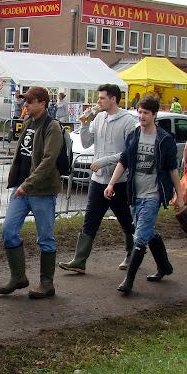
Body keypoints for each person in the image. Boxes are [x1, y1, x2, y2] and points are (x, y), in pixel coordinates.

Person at [104, 95, 184, 294]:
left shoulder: (164, 139)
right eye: (139, 112)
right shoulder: (135, 135)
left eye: (146, 113)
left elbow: (173, 169)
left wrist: (180, 196)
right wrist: (112, 183)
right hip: (135, 194)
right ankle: (164, 266)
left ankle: (128, 281)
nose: (141, 116)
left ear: (154, 115)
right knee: (146, 231)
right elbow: (124, 161)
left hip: (153, 194)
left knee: (139, 236)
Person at [59, 83, 137, 274]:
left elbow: (130, 154)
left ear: (113, 99)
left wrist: (104, 160)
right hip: (98, 181)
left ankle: (132, 254)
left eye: (102, 98)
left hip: (119, 181)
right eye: (98, 98)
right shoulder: (99, 118)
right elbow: (86, 144)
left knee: (126, 219)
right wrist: (85, 123)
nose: (98, 101)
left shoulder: (127, 121)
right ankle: (79, 260)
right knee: (90, 219)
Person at [0, 86, 63, 299]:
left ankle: (47, 284)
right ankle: (18, 277)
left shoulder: (52, 127)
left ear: (42, 103)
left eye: (29, 101)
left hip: (41, 191)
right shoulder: (27, 122)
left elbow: (48, 161)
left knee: (45, 238)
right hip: (21, 189)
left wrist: (29, 184)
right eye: (25, 101)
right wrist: (18, 182)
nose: (25, 104)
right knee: (8, 230)